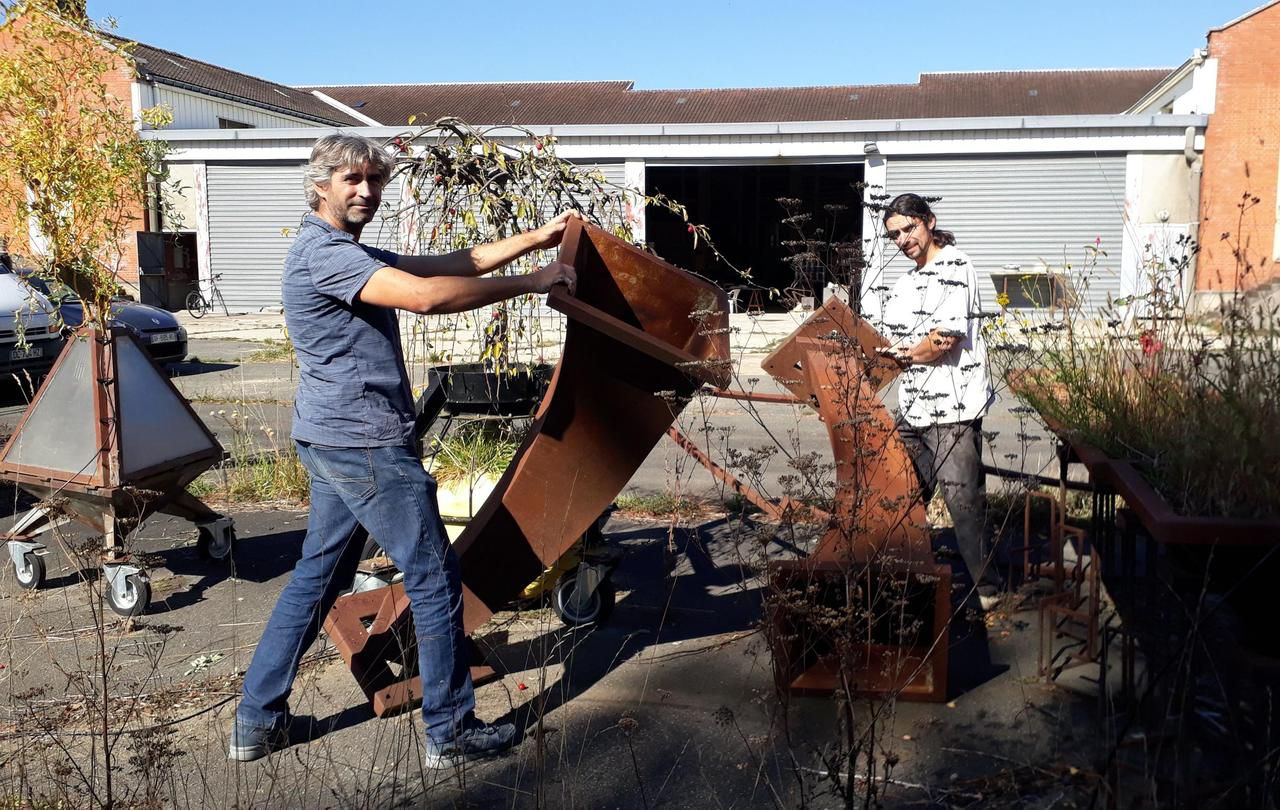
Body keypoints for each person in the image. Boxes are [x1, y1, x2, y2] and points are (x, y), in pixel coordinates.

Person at [228, 133, 579, 768]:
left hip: (334, 436)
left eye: (375, 181)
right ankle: (450, 733)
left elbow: (443, 265)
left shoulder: (343, 250)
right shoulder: (324, 255)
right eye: (351, 180)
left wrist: (534, 238)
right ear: (320, 184)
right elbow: (423, 298)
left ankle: (256, 720)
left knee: (320, 575)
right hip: (365, 443)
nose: (366, 191)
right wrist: (531, 282)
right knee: (435, 578)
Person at [861, 192, 1003, 609]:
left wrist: (903, 355)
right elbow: (892, 342)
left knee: (963, 504)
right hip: (914, 407)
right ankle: (898, 582)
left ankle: (990, 592)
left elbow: (945, 339)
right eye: (895, 235)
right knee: (899, 494)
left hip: (953, 408)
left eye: (910, 228)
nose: (903, 239)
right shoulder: (906, 282)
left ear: (929, 221)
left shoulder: (955, 266)